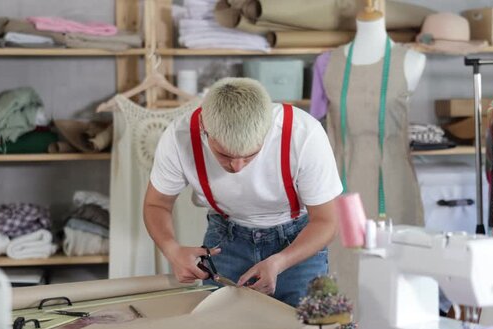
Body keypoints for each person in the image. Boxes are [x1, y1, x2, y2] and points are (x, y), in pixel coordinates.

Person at [143, 77, 343, 306]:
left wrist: (279, 262)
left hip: (298, 241)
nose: (237, 167)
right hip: (226, 242)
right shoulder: (179, 138)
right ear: (203, 128)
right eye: (225, 155)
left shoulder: (303, 134)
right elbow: (156, 204)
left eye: (249, 156)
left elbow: (327, 221)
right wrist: (172, 250)